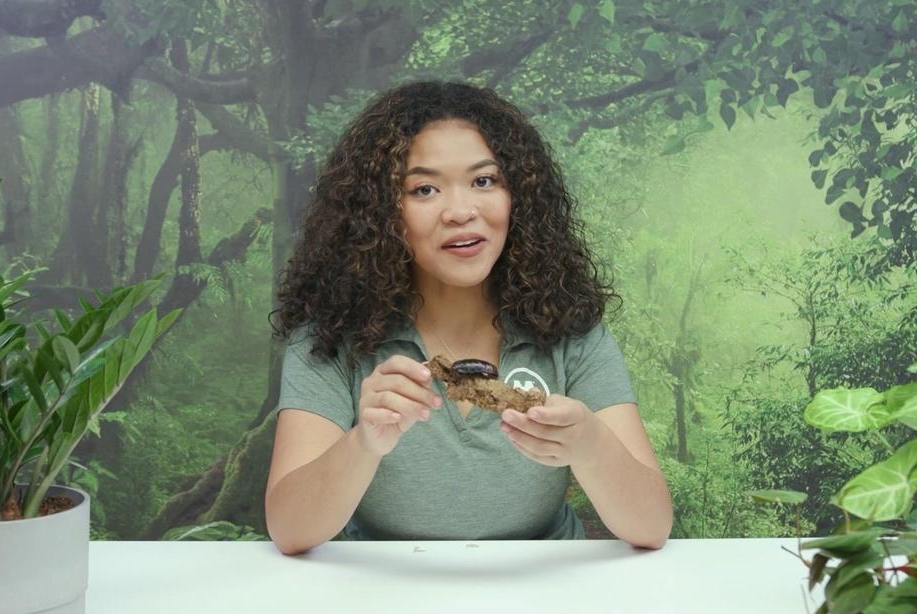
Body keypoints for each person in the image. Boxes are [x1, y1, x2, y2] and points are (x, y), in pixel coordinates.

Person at [264, 81, 672, 555]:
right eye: (424, 189)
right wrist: (365, 442)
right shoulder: (329, 337)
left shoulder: (571, 330)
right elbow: (290, 531)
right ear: (378, 213)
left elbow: (652, 526)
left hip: (548, 587)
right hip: (383, 587)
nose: (461, 212)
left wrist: (589, 444)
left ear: (518, 196)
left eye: (484, 181)